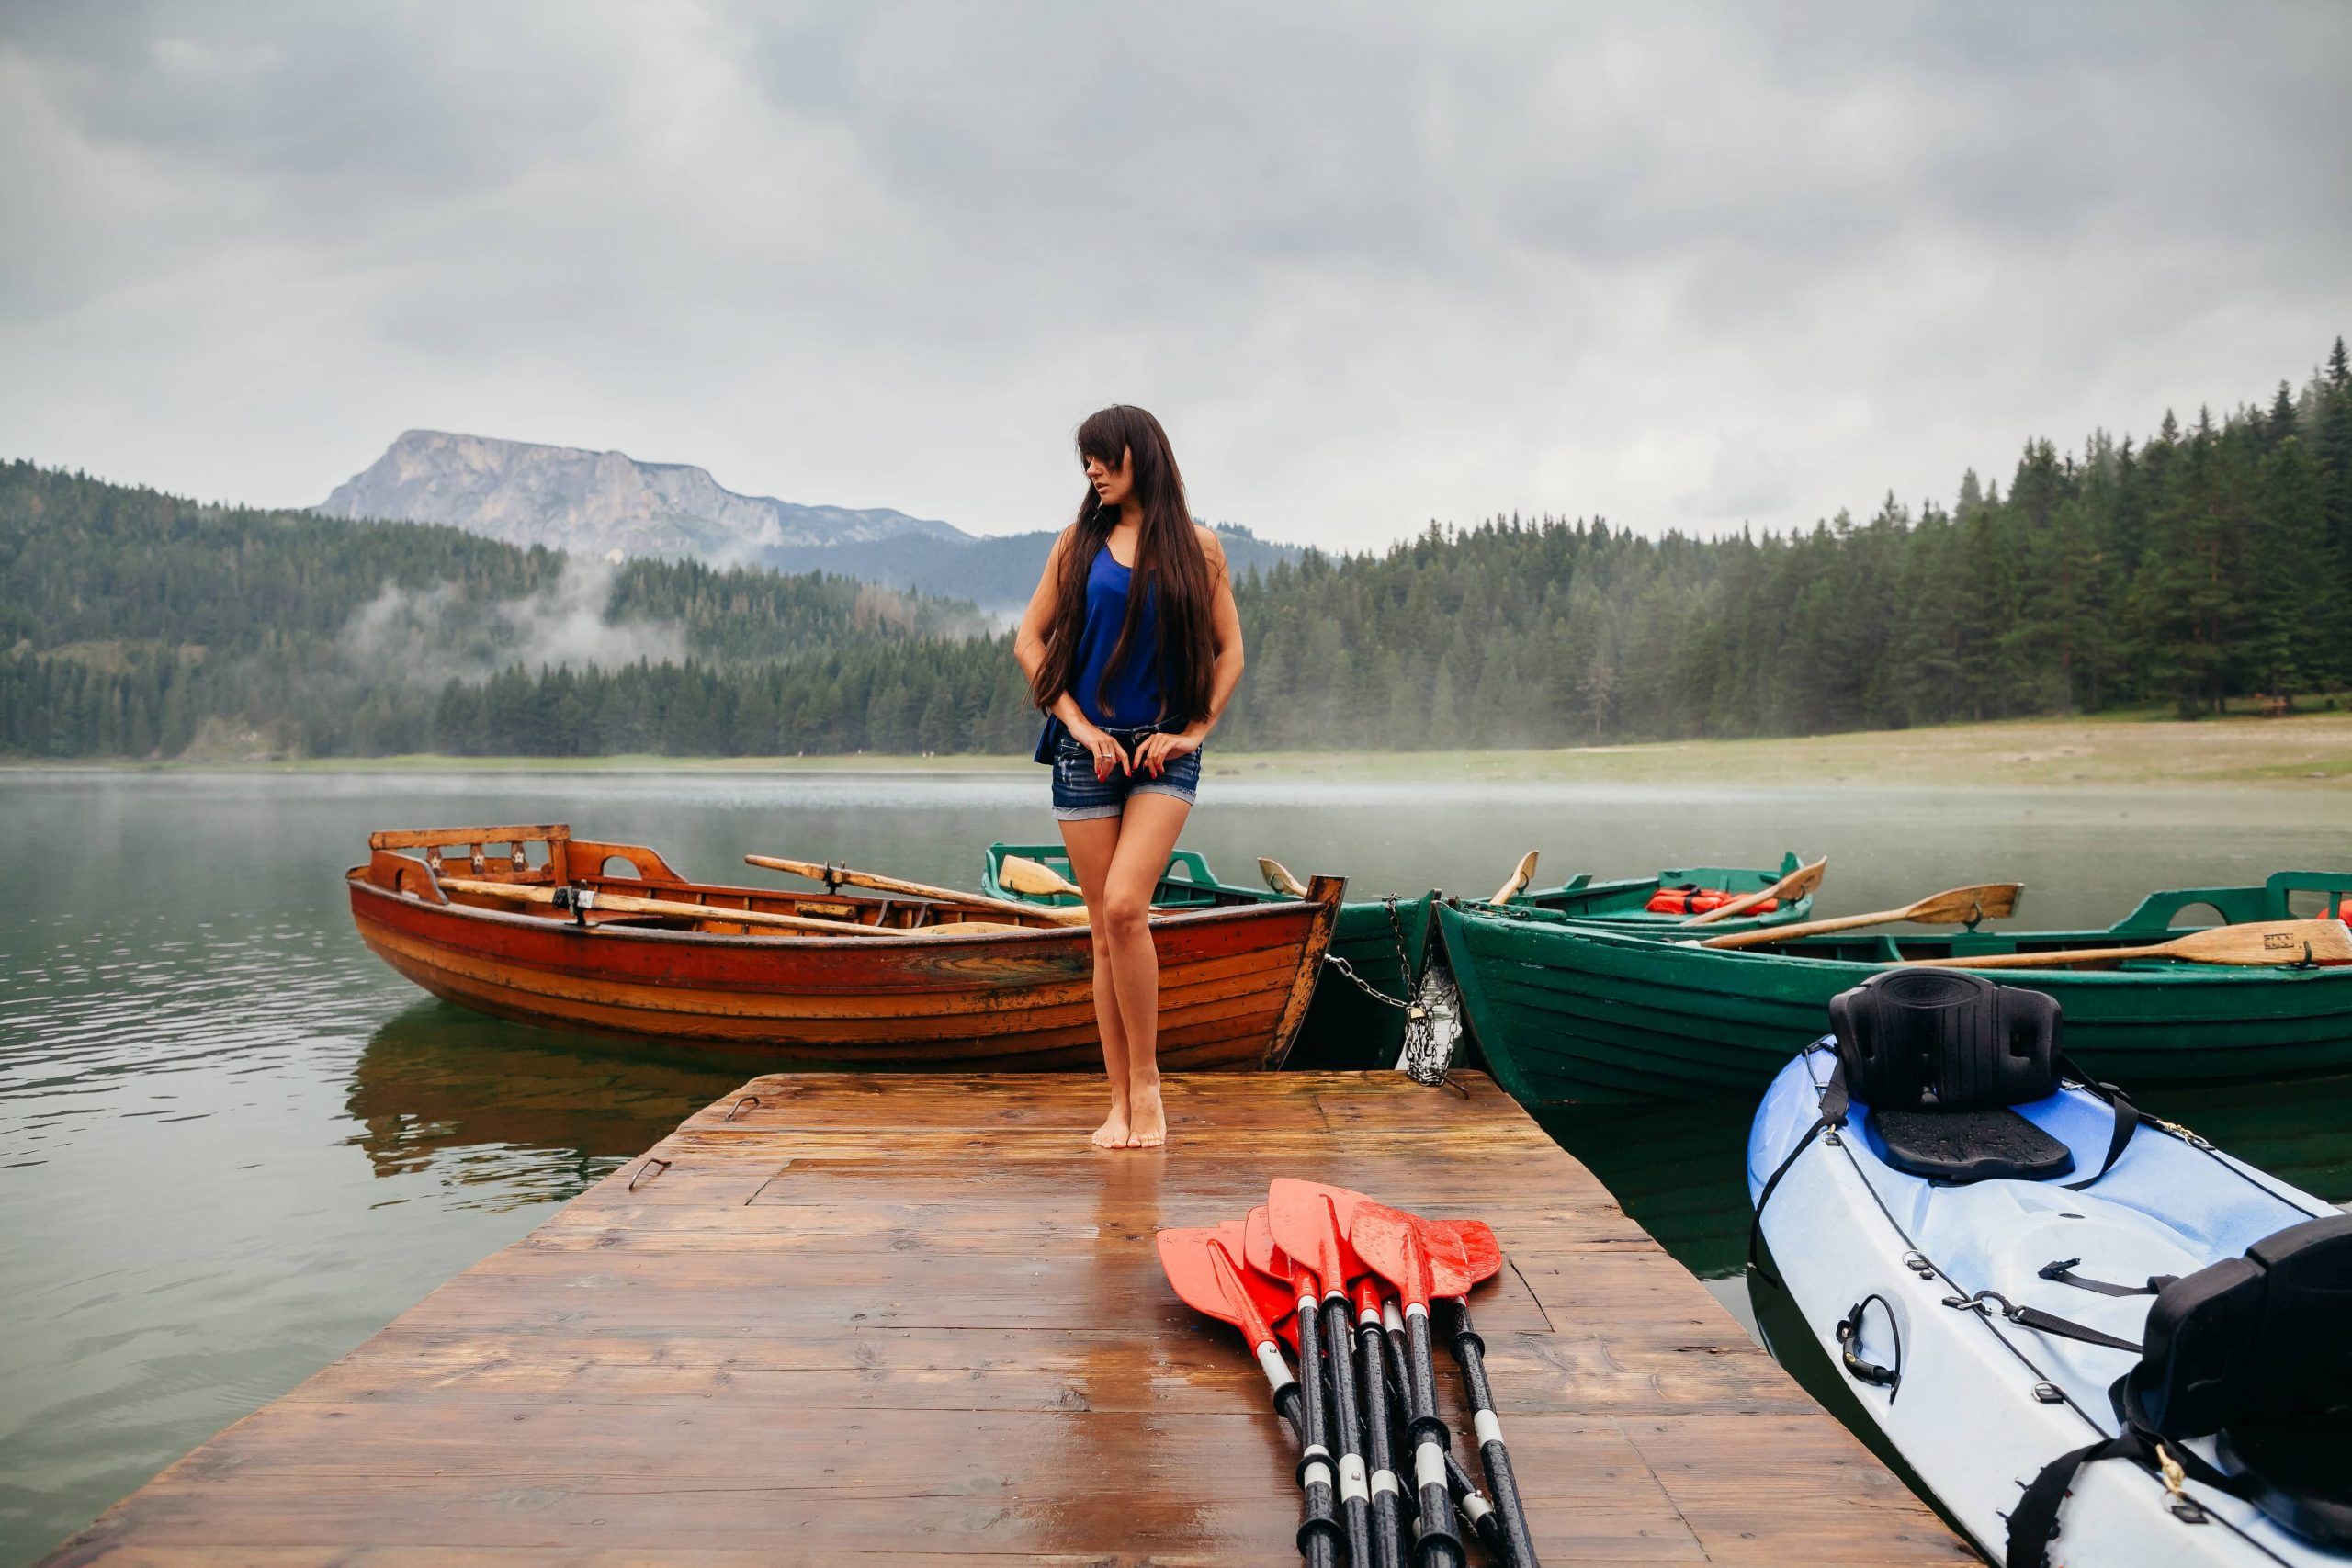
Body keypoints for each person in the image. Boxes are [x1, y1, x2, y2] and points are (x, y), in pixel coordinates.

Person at [1014, 405, 1245, 1149]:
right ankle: (1117, 1102)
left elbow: (1230, 650)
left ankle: (1148, 1083)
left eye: (1102, 457)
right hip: (1087, 753)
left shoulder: (1199, 548)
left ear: (1139, 454)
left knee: (1124, 909)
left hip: (1162, 756)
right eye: (1084, 460)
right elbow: (1029, 639)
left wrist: (1194, 731)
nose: (1092, 471)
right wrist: (1079, 727)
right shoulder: (1075, 546)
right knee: (1105, 935)